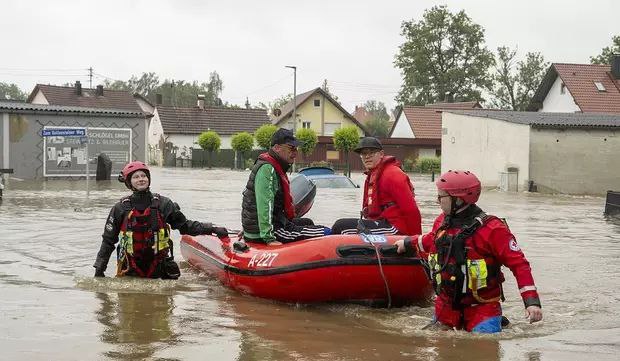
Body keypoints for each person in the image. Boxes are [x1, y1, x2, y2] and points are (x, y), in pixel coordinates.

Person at [395, 170, 543, 333]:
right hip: (446, 306)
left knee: (483, 347)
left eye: (441, 197)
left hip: (482, 308)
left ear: (458, 199)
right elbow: (431, 240)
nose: (438, 201)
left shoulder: (493, 229)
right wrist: (407, 243)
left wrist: (531, 302)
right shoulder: (442, 221)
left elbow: (519, 265)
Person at [93, 161, 228, 279]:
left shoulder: (164, 204)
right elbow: (108, 241)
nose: (141, 179)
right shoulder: (120, 208)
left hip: (159, 267)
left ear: (148, 179)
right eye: (136, 177)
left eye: (144, 176)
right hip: (130, 269)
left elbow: (185, 226)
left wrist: (212, 229)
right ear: (129, 182)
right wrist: (99, 270)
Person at [241, 128, 330, 245]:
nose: (295, 152)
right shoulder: (268, 169)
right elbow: (264, 204)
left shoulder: (273, 165)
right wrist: (268, 238)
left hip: (268, 226)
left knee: (307, 222)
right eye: (291, 148)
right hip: (271, 232)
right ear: (277, 148)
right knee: (328, 232)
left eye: (296, 149)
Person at [331, 136, 422, 235]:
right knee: (341, 225)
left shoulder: (393, 174)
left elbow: (411, 210)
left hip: (394, 227)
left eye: (371, 152)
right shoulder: (372, 175)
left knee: (341, 227)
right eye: (363, 154)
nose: (367, 157)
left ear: (381, 154)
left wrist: (416, 241)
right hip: (381, 222)